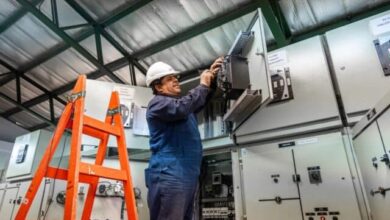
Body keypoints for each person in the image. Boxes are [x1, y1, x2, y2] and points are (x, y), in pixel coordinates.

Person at [144, 58, 223, 220]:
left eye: (175, 77)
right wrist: (202, 85)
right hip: (169, 174)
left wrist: (211, 80)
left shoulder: (181, 107)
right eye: (169, 78)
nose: (175, 80)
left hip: (187, 174)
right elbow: (184, 107)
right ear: (158, 86)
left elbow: (198, 101)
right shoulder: (158, 104)